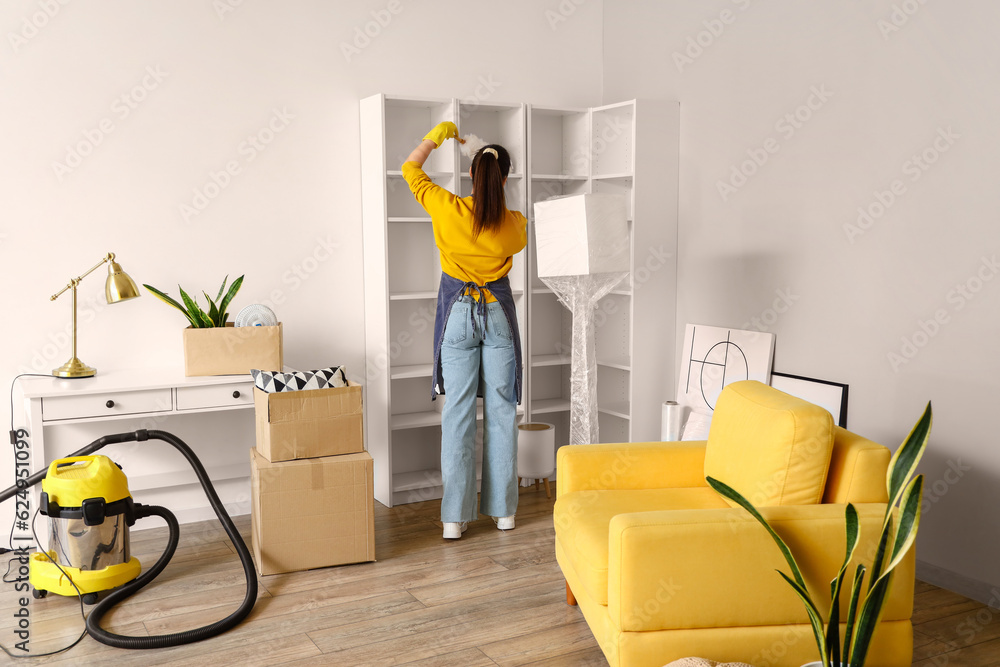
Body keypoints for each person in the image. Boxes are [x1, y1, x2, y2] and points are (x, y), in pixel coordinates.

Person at [402, 121, 526, 539]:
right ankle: (504, 512)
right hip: (498, 317)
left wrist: (438, 135)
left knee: (457, 414)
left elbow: (409, 168)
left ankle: (454, 519)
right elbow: (506, 220)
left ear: (471, 176)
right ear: (505, 179)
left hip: (457, 317)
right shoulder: (516, 226)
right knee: (502, 410)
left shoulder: (446, 207)